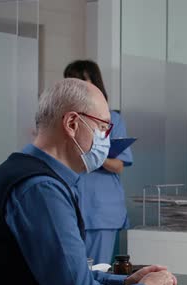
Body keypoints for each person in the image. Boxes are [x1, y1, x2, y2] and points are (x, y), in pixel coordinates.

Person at [0, 79, 177, 285]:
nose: (106, 139)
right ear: (72, 123)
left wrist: (124, 283)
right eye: (103, 128)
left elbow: (63, 278)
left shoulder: (27, 176)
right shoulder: (41, 190)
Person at [64, 60, 133, 264]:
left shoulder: (112, 120)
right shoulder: (66, 120)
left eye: (81, 81)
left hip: (100, 210)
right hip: (71, 205)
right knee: (71, 271)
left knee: (97, 273)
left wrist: (94, 152)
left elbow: (119, 165)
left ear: (94, 83)